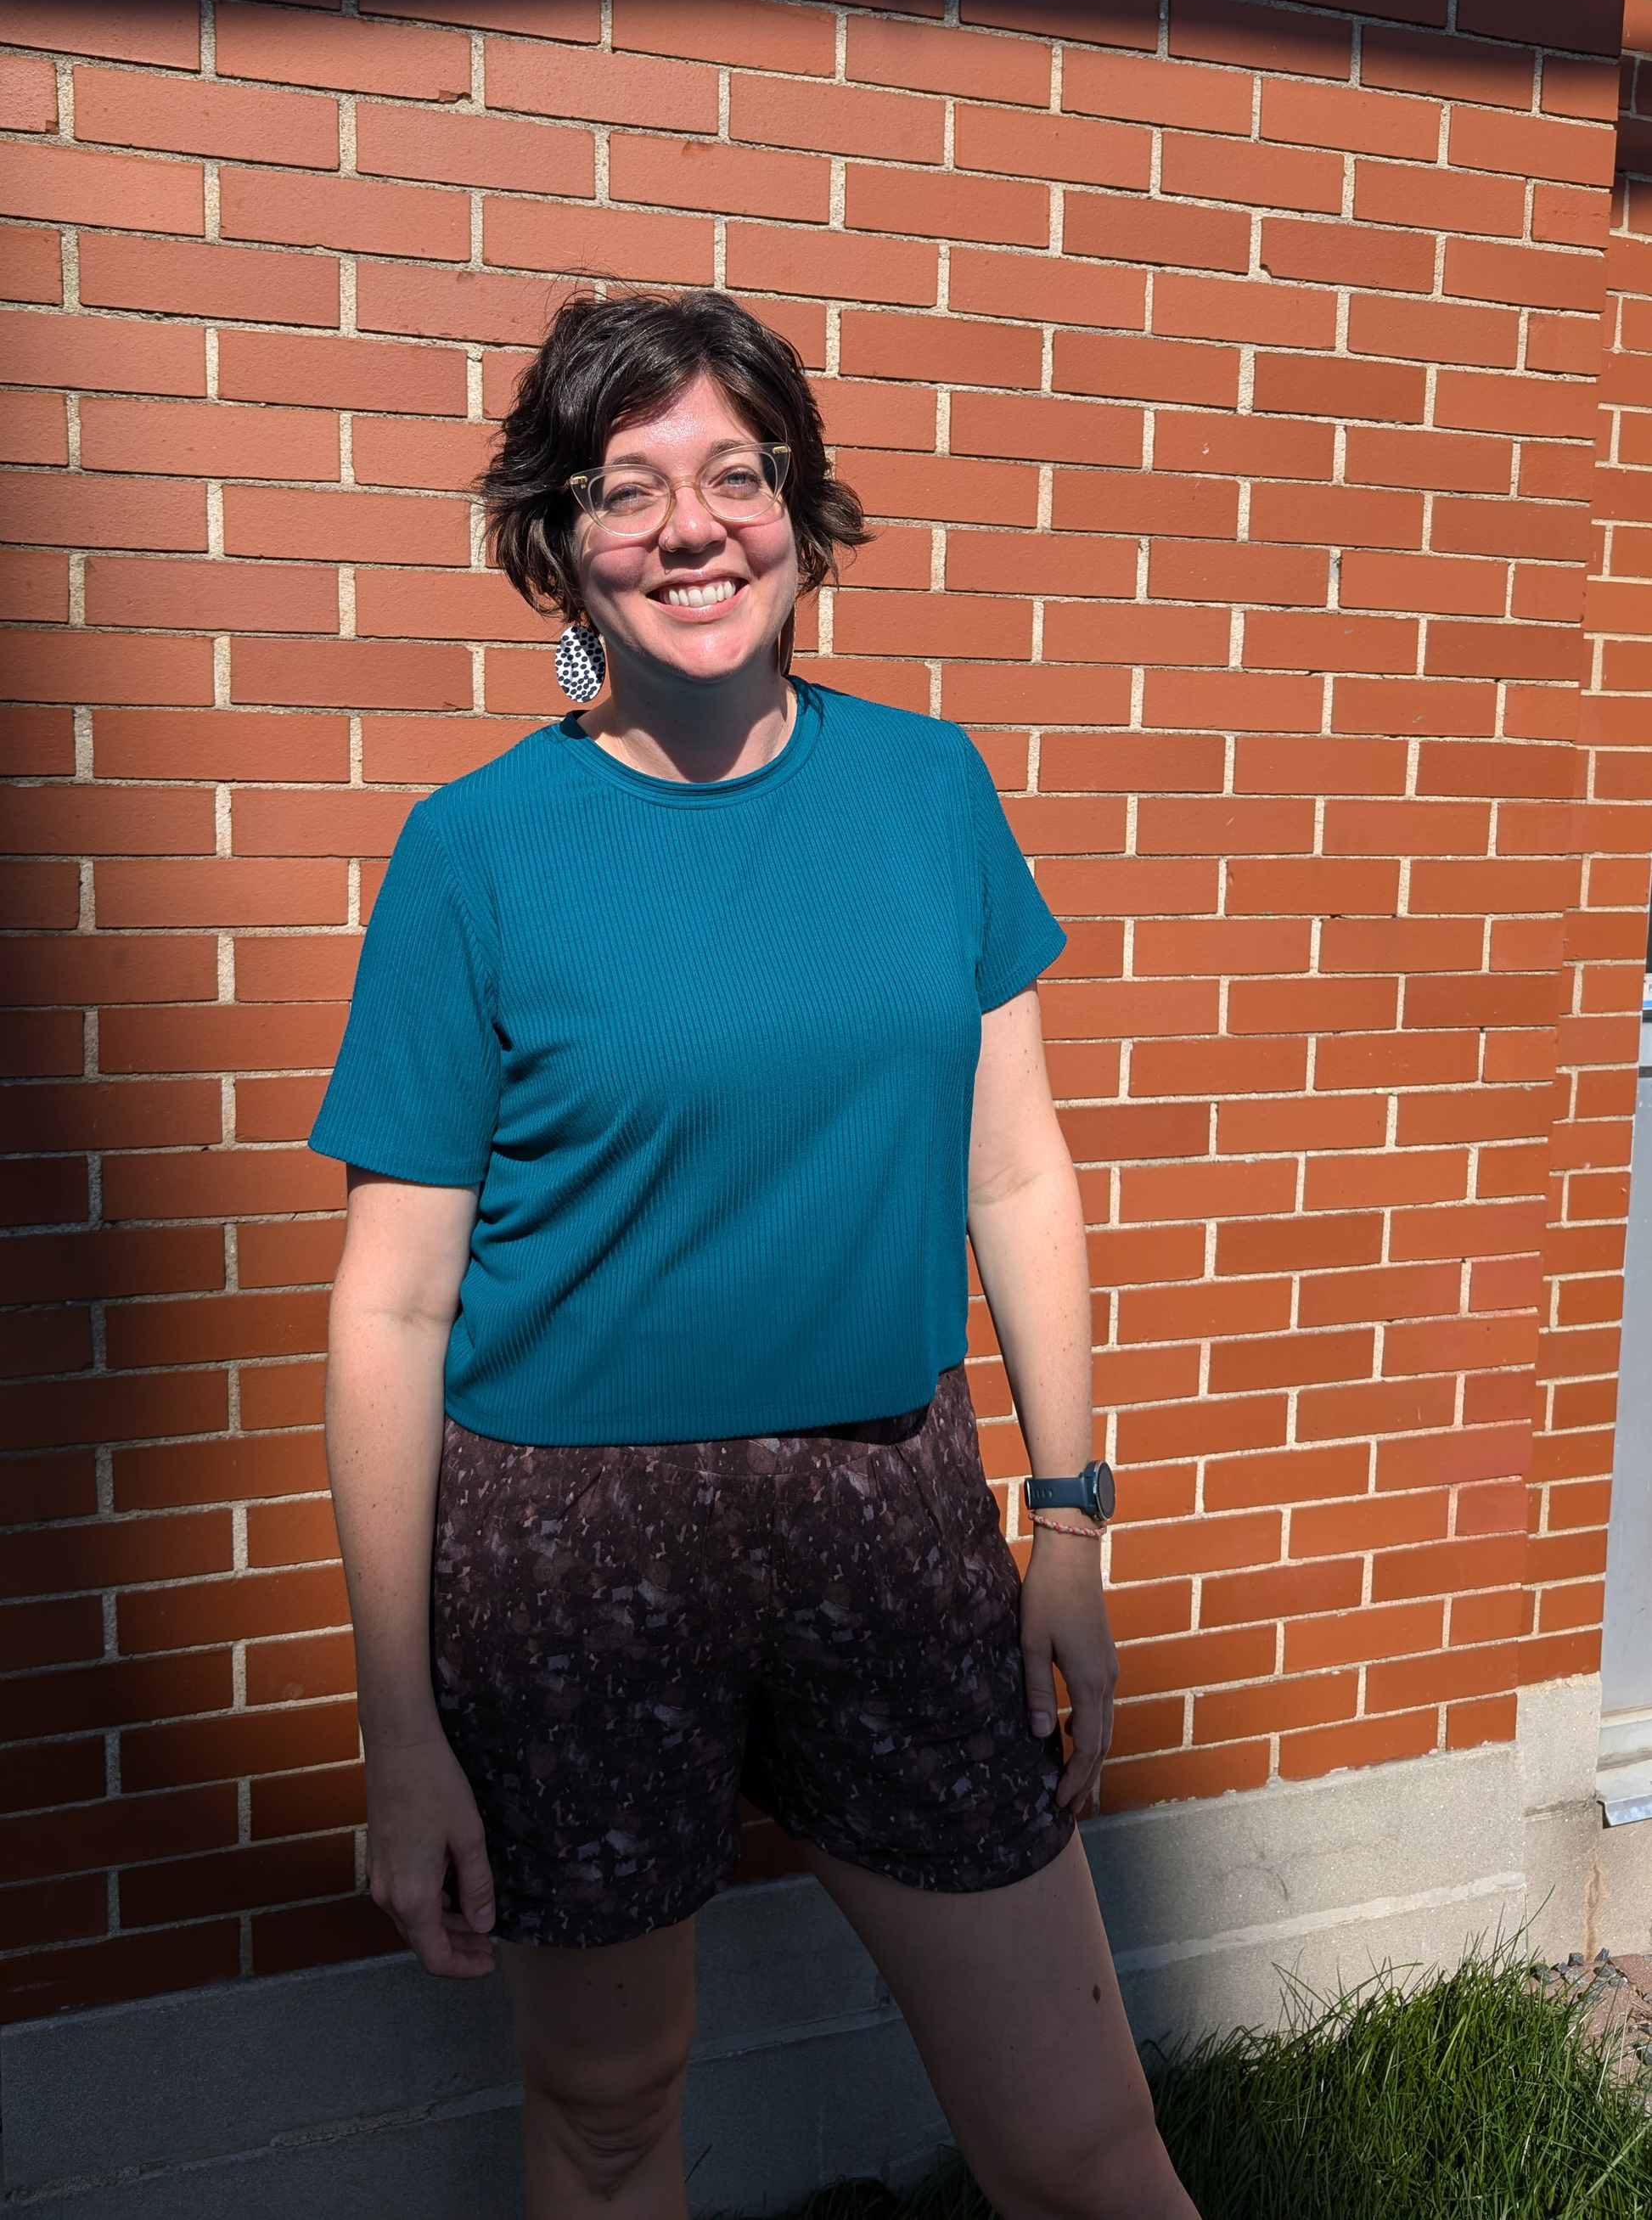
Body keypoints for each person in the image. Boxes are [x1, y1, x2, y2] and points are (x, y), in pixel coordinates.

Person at [312, 289, 1200, 2220]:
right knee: (614, 2114)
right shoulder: (472, 849)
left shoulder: (929, 788)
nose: (690, 526)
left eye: (735, 471)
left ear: (801, 507)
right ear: (559, 540)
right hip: (568, 1553)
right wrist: (402, 1733)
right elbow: (389, 1304)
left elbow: (1017, 1175)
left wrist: (1067, 1522)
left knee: (1081, 2139)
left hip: (889, 1511)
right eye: (628, 489)